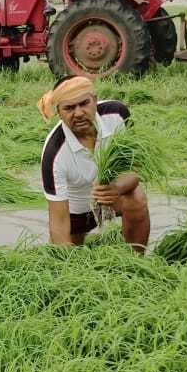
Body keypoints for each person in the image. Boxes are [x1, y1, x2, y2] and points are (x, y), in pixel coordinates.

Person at [39, 75, 150, 251]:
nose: (78, 113)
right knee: (69, 252)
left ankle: (135, 262)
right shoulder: (54, 153)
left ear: (95, 100)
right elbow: (59, 221)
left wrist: (117, 188)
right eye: (69, 108)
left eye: (84, 104)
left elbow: (136, 167)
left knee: (136, 198)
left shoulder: (117, 115)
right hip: (76, 214)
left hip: (113, 199)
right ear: (59, 112)